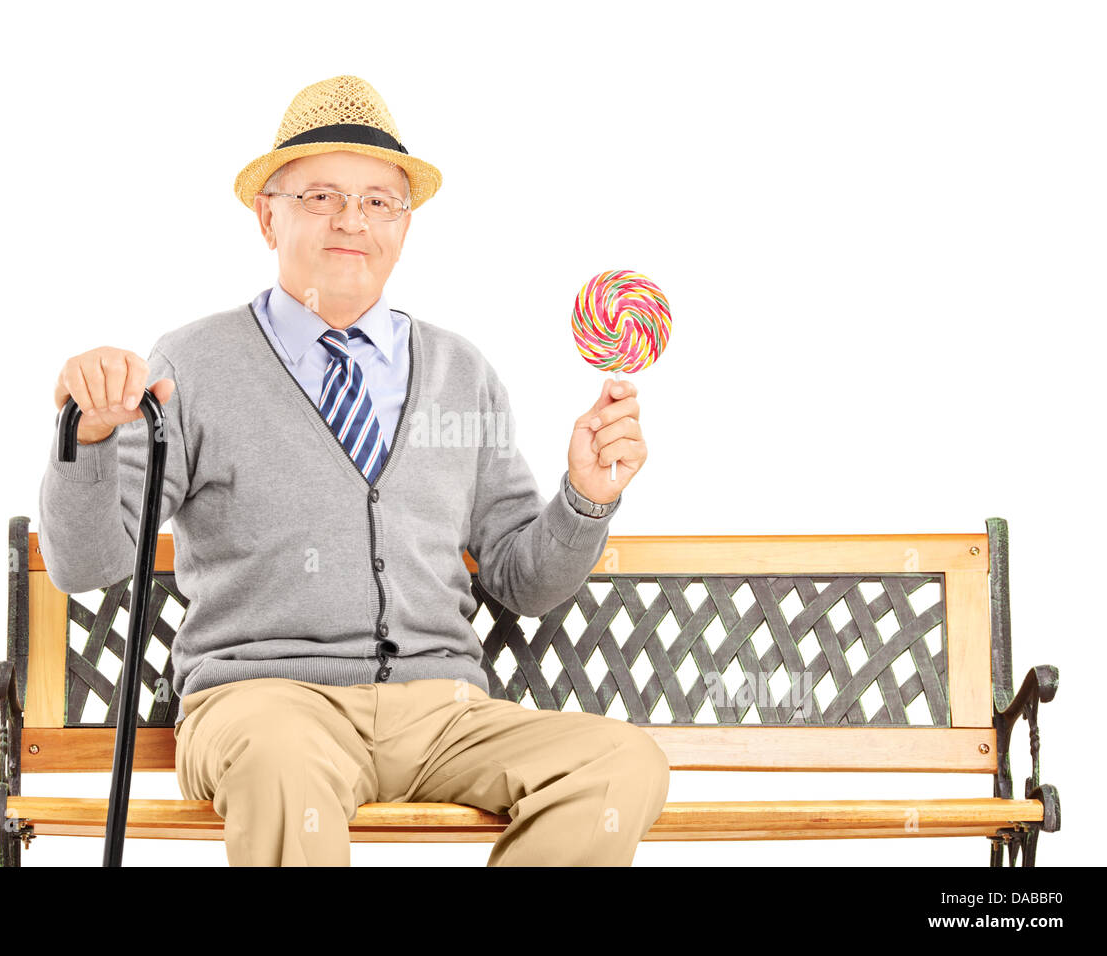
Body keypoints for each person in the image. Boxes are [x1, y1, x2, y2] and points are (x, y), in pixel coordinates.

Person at [40, 75, 669, 866]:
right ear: (267, 215)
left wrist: (586, 496)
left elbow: (520, 580)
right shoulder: (193, 364)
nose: (351, 221)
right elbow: (87, 563)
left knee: (620, 763)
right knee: (280, 759)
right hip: (263, 704)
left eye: (379, 201)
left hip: (441, 715)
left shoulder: (459, 372)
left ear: (404, 228)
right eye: (321, 196)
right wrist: (90, 437)